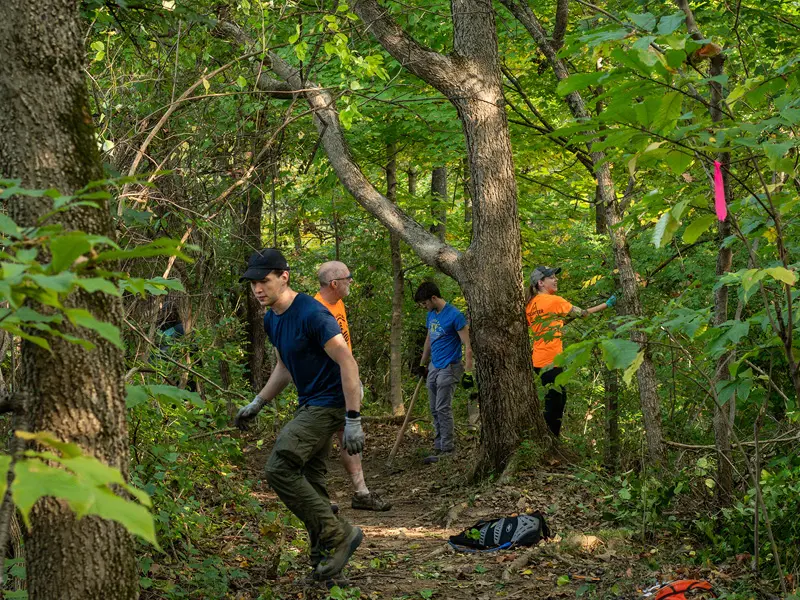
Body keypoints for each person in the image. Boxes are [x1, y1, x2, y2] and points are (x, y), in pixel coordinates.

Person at [234, 248, 364, 583]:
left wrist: (352, 418)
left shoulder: (312, 313)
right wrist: (258, 402)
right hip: (310, 402)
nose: (257, 289)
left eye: (264, 280)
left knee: (280, 467)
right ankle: (327, 568)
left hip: (331, 402)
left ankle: (340, 535)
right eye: (253, 283)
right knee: (311, 479)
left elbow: (347, 362)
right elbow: (284, 366)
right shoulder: (272, 318)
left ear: (284, 277)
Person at [314, 260, 391, 512]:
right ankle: (318, 498)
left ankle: (360, 492)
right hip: (326, 385)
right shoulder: (317, 310)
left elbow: (344, 348)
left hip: (343, 381)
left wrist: (353, 377)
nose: (351, 282)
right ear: (334, 284)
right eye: (348, 278)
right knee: (318, 437)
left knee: (346, 433)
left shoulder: (339, 303)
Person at [525, 266, 616, 437]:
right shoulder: (554, 301)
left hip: (537, 359)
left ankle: (550, 440)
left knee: (557, 400)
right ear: (541, 282)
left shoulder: (530, 304)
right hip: (551, 360)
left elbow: (544, 327)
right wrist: (607, 304)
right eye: (551, 277)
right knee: (555, 405)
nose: (556, 279)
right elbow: (582, 314)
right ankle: (550, 441)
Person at [413, 281, 473, 464]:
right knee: (433, 408)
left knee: (442, 407)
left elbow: (468, 345)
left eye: (425, 303)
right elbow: (429, 339)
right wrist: (423, 364)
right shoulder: (431, 315)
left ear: (433, 298)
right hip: (434, 366)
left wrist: (469, 372)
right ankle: (438, 446)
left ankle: (448, 448)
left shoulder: (455, 315)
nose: (424, 307)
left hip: (450, 366)